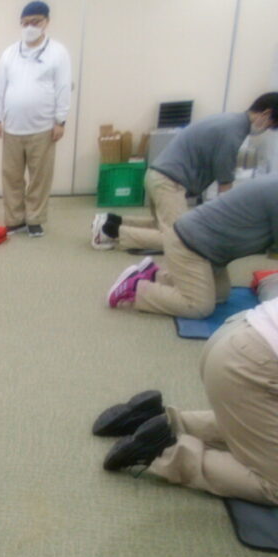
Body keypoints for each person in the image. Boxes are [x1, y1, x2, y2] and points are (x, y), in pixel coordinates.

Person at [94, 296, 278, 508]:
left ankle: (162, 422)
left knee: (256, 423)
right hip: (250, 362)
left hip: (238, 330)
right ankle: (165, 450)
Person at [92, 93, 278, 252]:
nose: (267, 130)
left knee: (162, 226)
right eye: (271, 125)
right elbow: (225, 181)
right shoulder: (234, 131)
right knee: (181, 240)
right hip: (169, 182)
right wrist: (227, 220)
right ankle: (109, 232)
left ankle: (111, 220)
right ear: (266, 113)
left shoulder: (229, 120)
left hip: (158, 176)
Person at [106, 174, 278, 317]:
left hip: (211, 249)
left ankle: (155, 276)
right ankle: (135, 288)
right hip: (192, 243)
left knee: (220, 295)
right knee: (198, 307)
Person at [0, 1, 71, 237]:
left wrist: (60, 121)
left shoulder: (58, 52)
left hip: (43, 127)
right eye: (25, 23)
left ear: (46, 23)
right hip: (13, 127)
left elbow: (63, 87)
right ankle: (15, 219)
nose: (30, 27)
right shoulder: (9, 53)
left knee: (39, 177)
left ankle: (35, 218)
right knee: (11, 177)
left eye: (35, 22)